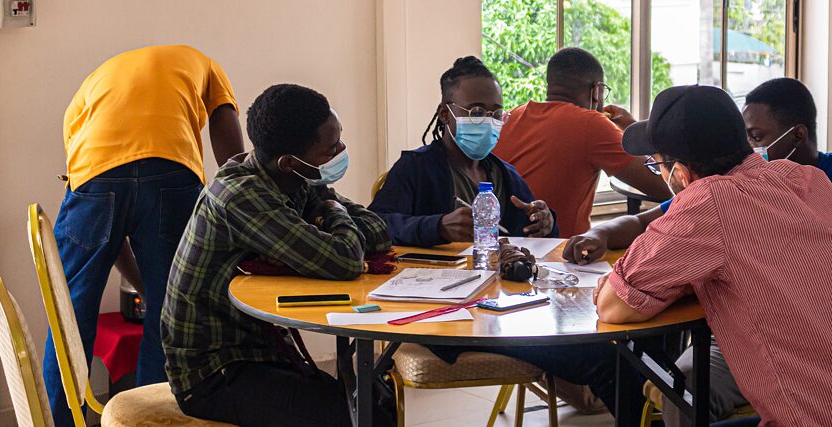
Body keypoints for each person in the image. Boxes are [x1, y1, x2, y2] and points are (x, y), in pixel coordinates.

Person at [565, 78, 832, 424]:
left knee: (678, 389)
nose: (661, 176)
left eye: (657, 166)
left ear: (682, 174)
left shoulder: (707, 202)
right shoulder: (806, 181)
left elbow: (615, 306)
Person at [161, 84, 392, 426]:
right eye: (331, 149)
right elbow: (343, 259)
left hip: (261, 352)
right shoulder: (240, 195)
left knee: (376, 400)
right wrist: (330, 209)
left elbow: (378, 231)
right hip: (214, 373)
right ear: (289, 161)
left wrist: (327, 212)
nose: (342, 150)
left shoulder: (295, 178)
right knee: (357, 414)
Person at [48, 45, 244, 426]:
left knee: (69, 313)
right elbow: (232, 153)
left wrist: (137, 281)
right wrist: (248, 194)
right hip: (171, 172)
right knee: (170, 311)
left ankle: (59, 420)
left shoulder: (91, 88)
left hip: (94, 175)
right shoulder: (205, 64)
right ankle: (152, 418)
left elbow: (106, 212)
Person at [368, 56, 557, 246]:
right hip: (434, 274)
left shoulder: (506, 175)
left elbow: (532, 234)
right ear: (445, 114)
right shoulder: (416, 168)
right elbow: (374, 224)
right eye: (476, 112)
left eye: (497, 114)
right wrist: (437, 227)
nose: (489, 122)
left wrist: (545, 222)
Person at [494, 47, 671, 237]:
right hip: (559, 252)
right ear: (597, 90)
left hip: (506, 245)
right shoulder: (591, 124)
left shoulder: (513, 115)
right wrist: (633, 130)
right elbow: (666, 185)